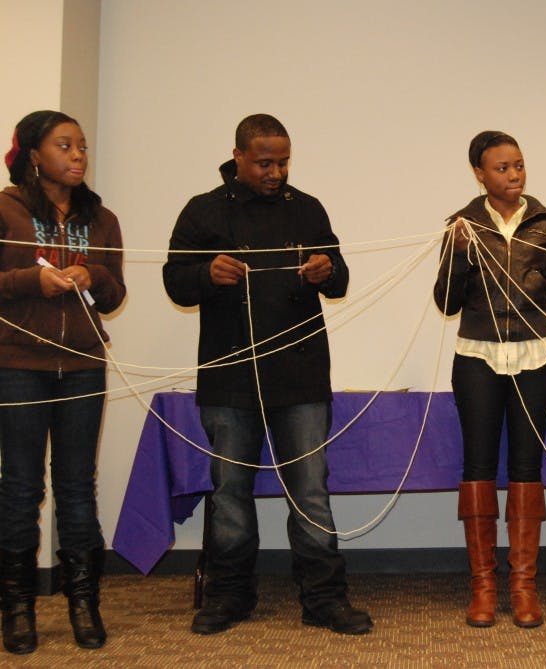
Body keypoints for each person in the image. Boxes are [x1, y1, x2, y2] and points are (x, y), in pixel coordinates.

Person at [162, 114, 371, 636]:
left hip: (299, 376)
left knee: (310, 491)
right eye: (264, 162)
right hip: (229, 375)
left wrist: (329, 269)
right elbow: (175, 281)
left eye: (283, 161)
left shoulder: (307, 209)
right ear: (238, 157)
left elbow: (340, 277)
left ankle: (323, 598)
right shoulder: (203, 211)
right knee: (229, 491)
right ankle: (229, 595)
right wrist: (206, 274)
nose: (276, 171)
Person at [434, 131, 546, 628]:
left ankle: (523, 586)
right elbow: (446, 303)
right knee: (477, 465)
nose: (514, 175)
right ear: (479, 173)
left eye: (519, 165)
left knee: (525, 467)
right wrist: (455, 252)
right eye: (502, 168)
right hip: (476, 358)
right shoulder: (462, 225)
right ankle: (483, 586)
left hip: (537, 357)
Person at [0, 110, 126, 653]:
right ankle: (19, 609)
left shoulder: (102, 220)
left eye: (83, 147)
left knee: (78, 487)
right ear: (34, 153)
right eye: (65, 145)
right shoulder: (5, 209)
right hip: (19, 366)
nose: (78, 156)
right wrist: (36, 279)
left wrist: (90, 275)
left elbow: (115, 293)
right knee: (21, 490)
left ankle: (83, 603)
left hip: (82, 365)